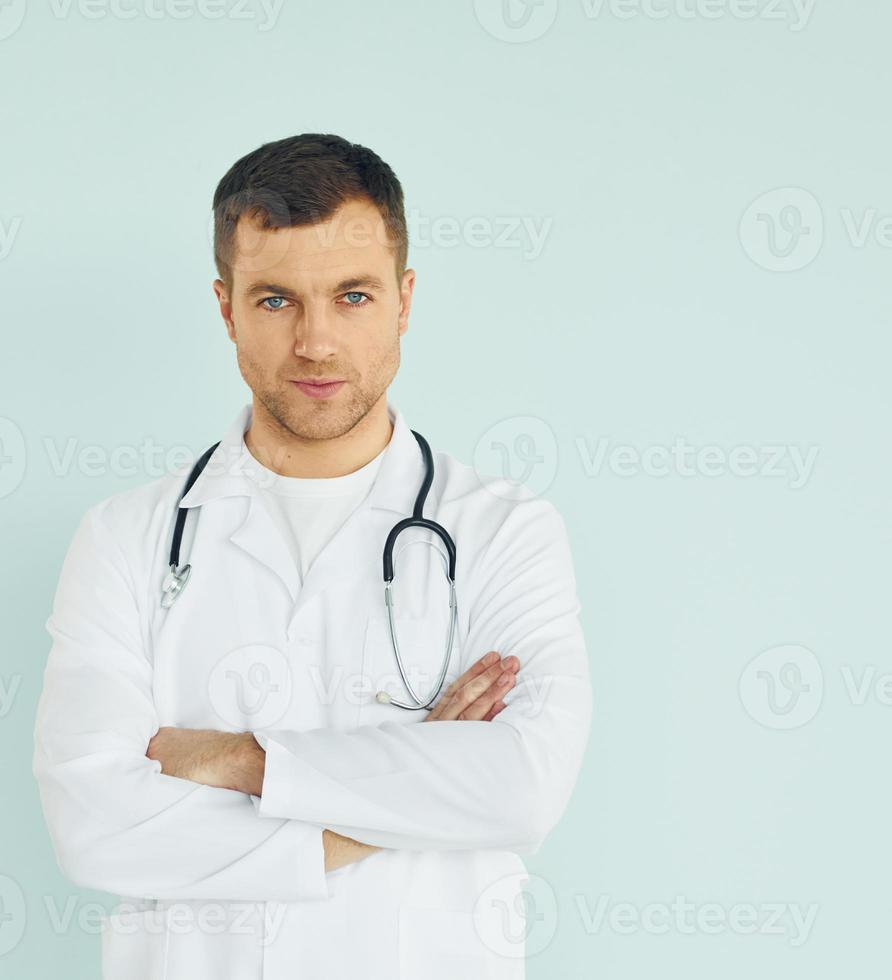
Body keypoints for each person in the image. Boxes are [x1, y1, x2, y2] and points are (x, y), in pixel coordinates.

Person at [32, 133, 592, 979]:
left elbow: (519, 789)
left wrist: (238, 760)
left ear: (405, 300)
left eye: (354, 296)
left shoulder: (502, 531)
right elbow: (95, 829)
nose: (317, 342)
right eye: (275, 301)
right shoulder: (126, 538)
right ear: (225, 308)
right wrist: (414, 778)